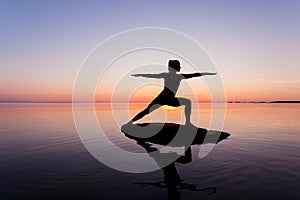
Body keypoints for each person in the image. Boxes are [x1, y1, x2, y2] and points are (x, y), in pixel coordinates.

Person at [128, 60, 216, 125]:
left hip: (171, 99)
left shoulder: (180, 77)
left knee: (187, 102)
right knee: (146, 111)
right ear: (174, 67)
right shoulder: (166, 75)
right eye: (179, 66)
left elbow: (195, 74)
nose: (180, 67)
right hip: (161, 98)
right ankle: (129, 123)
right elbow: (152, 75)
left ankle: (188, 122)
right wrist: (139, 75)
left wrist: (207, 73)